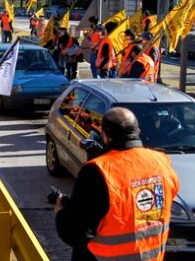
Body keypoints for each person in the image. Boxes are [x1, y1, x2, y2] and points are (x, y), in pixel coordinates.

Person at [55, 107, 179, 261]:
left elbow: (75, 234)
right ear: (138, 131)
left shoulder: (97, 171)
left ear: (105, 136)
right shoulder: (162, 161)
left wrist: (60, 212)